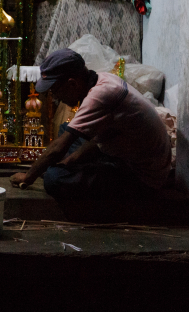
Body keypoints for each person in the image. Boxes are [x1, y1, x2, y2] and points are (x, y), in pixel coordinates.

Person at [10, 48, 172, 201]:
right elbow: (99, 137)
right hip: (124, 153)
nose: (55, 97)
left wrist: (29, 176)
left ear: (72, 84)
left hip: (142, 178)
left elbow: (59, 147)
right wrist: (70, 160)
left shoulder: (100, 96)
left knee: (54, 178)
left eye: (55, 90)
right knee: (65, 130)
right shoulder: (102, 79)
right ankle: (84, 168)